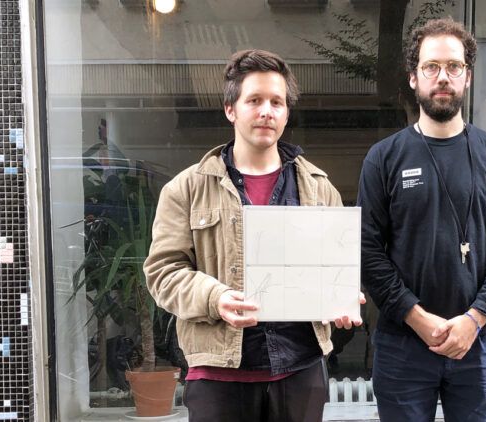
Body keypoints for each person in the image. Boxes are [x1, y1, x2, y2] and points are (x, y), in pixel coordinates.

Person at [144, 49, 363, 422]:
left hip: (300, 369)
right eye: (254, 100)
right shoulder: (186, 189)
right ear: (231, 109)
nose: (267, 111)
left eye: (277, 102)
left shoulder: (318, 186)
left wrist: (341, 297)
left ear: (287, 113)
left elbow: (334, 267)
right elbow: (163, 273)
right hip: (218, 373)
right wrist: (215, 298)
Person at [357, 18, 486, 422]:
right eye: (431, 66)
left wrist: (475, 318)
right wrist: (415, 317)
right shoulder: (383, 158)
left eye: (454, 66)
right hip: (403, 343)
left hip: (479, 341)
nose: (443, 77)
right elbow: (366, 249)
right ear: (413, 77)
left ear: (467, 77)